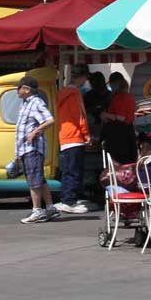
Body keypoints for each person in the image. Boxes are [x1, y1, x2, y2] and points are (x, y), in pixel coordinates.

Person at [14, 76, 59, 224]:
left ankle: (37, 210)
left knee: (34, 180)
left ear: (26, 89)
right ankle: (50, 208)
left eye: (19, 87)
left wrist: (35, 131)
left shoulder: (36, 102)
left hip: (32, 148)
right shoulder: (25, 103)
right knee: (39, 179)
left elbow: (50, 120)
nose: (17, 90)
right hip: (26, 149)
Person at [55, 64, 91, 214]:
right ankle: (69, 201)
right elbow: (80, 116)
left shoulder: (62, 93)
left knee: (68, 171)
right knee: (75, 171)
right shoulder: (75, 94)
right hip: (75, 136)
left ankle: (67, 198)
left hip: (64, 135)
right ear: (81, 77)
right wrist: (86, 135)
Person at [82, 71, 111, 139]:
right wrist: (94, 108)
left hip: (107, 129)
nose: (91, 84)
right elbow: (83, 110)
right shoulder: (89, 95)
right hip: (92, 130)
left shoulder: (110, 96)